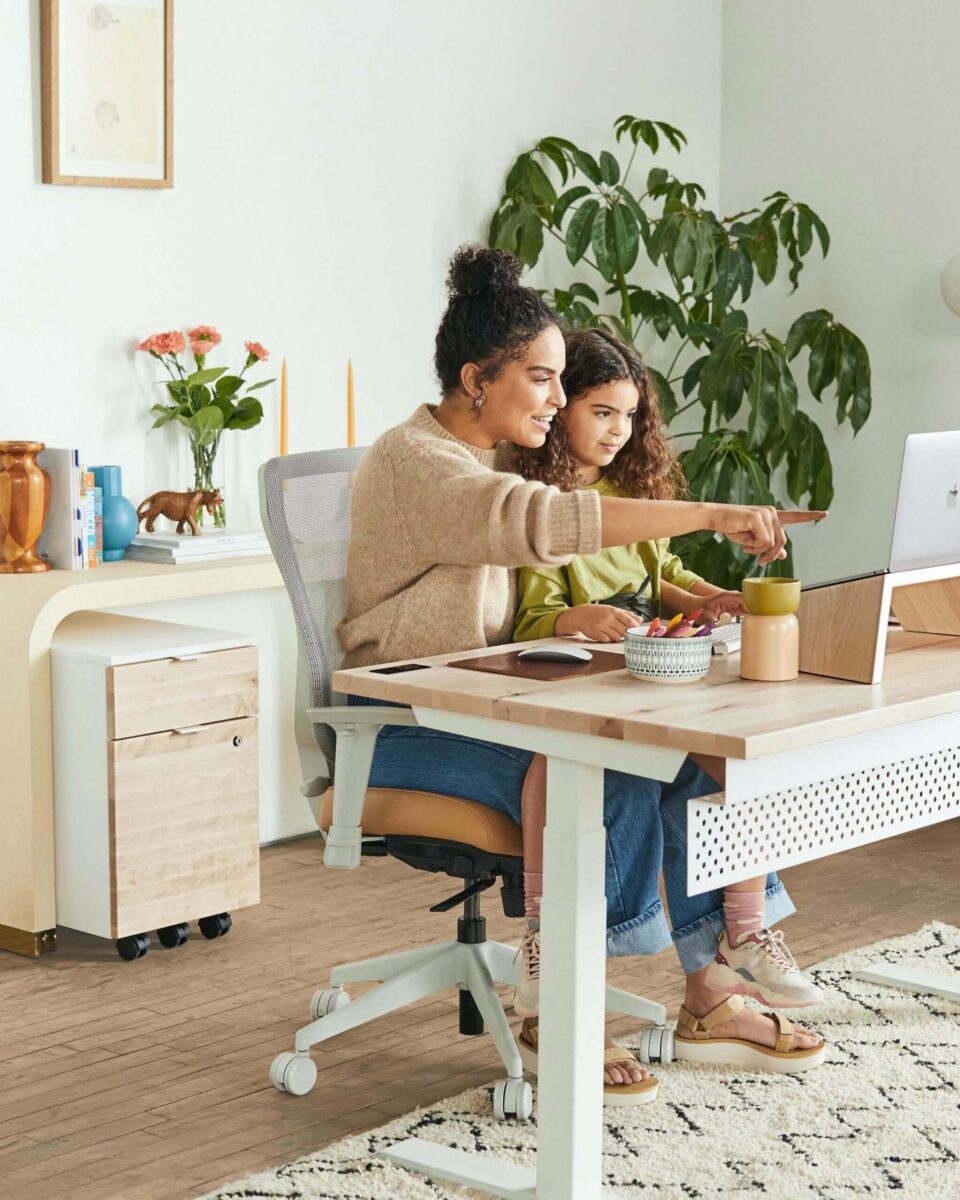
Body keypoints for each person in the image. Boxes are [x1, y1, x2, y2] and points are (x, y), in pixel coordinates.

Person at [339, 245, 824, 1107]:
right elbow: (547, 523)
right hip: (403, 723)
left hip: (483, 701)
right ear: (476, 379)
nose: (559, 400)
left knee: (685, 756)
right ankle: (556, 997)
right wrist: (712, 513)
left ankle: (714, 990)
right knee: (609, 763)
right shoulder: (419, 462)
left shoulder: (493, 456)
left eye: (563, 381)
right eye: (542, 379)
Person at [509, 329, 824, 1057]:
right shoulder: (545, 505)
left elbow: (663, 578)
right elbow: (531, 618)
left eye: (628, 416)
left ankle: (741, 938)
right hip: (582, 692)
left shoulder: (632, 495)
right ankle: (556, 959)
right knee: (636, 769)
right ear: (560, 407)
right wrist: (577, 617)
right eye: (601, 413)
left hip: (647, 679)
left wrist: (711, 599)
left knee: (730, 765)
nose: (617, 431)